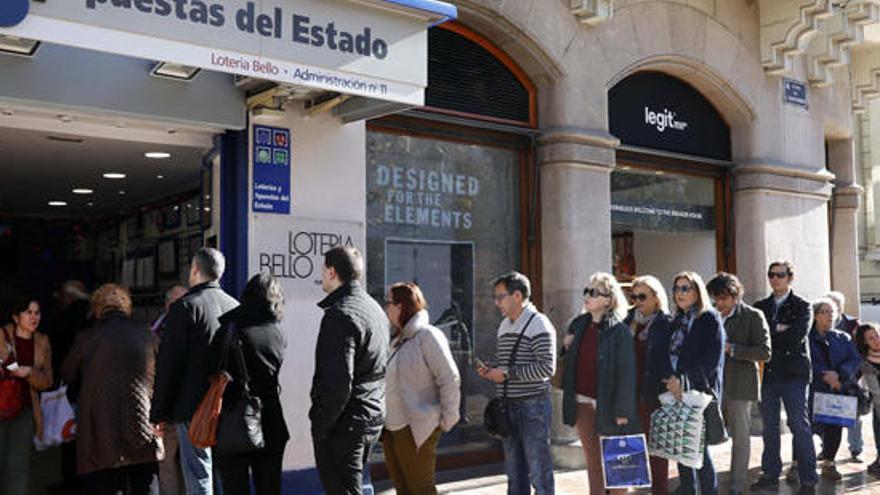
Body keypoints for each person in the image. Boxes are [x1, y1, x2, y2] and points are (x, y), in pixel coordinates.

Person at [151, 247, 239, 494]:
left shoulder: (185, 307)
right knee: (221, 473)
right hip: (225, 406)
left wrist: (159, 412)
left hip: (192, 408)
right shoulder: (235, 306)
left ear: (195, 270)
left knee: (198, 474)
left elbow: (169, 363)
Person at [61, 284, 163, 494]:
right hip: (142, 422)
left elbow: (67, 374)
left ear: (97, 308)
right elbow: (164, 373)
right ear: (126, 306)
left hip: (100, 427)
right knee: (145, 483)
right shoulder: (145, 333)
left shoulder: (87, 337)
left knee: (105, 485)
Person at [310, 246, 389, 495]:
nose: (322, 275)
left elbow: (338, 385)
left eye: (324, 270)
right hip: (370, 415)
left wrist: (320, 423)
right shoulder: (375, 309)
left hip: (347, 423)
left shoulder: (340, 314)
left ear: (331, 272)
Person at [477, 271, 556, 495]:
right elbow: (507, 363)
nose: (496, 302)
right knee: (514, 473)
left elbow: (546, 368)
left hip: (533, 407)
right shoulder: (504, 326)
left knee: (539, 471)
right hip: (507, 405)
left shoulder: (539, 323)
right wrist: (491, 368)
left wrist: (506, 374)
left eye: (500, 296)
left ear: (518, 296)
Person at [560, 272, 639, 494]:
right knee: (594, 464)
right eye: (586, 291)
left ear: (608, 299)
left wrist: (623, 411)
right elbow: (570, 364)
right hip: (582, 403)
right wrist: (566, 347)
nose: (587, 296)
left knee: (619, 464)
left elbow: (627, 372)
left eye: (594, 292)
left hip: (610, 405)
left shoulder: (619, 331)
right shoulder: (578, 324)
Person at [210, 273, 288, 495]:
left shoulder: (228, 330)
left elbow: (211, 371)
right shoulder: (277, 334)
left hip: (233, 421)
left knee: (235, 488)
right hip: (271, 421)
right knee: (270, 488)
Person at [382, 282, 460, 495]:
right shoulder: (393, 339)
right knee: (402, 489)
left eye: (388, 303)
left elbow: (449, 378)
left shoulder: (427, 336)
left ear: (400, 307)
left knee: (421, 490)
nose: (385, 308)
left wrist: (445, 421)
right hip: (390, 429)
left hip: (416, 428)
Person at [751, 260, 818, 493]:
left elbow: (796, 337)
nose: (775, 278)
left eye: (780, 274)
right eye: (771, 274)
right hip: (768, 373)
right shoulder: (760, 306)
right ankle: (770, 473)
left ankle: (808, 478)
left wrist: (773, 334)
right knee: (769, 426)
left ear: (790, 278)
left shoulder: (803, 306)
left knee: (799, 425)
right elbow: (757, 338)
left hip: (794, 374)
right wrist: (777, 331)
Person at [707, 272, 771, 495]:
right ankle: (706, 482)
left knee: (740, 439)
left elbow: (765, 352)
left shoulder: (753, 316)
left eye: (723, 298)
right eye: (715, 298)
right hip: (712, 386)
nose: (719, 303)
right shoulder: (709, 315)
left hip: (740, 386)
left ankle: (736, 484)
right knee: (705, 434)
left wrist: (732, 349)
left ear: (735, 296)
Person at [664, 271, 725, 495]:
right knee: (682, 447)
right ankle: (688, 490)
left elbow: (711, 360)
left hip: (697, 390)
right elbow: (669, 353)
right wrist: (670, 380)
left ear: (697, 291)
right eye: (676, 289)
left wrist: (684, 382)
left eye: (685, 288)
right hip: (673, 390)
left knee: (698, 449)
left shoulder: (708, 317)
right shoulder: (678, 319)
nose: (679, 293)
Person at [0, 295, 53, 495]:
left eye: (37, 312)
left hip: (25, 411)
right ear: (16, 317)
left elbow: (47, 380)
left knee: (18, 466)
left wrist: (30, 372)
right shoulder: (1, 335)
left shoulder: (42, 341)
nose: (33, 317)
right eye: (28, 312)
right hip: (0, 406)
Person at [626, 275, 673, 494]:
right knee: (628, 448)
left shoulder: (666, 323)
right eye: (634, 296)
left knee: (656, 450)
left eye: (642, 296)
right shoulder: (626, 321)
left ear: (656, 297)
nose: (637, 301)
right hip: (628, 394)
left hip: (653, 394)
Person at [807, 298, 862, 481]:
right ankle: (798, 463)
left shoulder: (842, 337)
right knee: (806, 428)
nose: (830, 315)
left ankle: (829, 463)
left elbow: (855, 359)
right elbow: (804, 360)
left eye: (832, 311)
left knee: (834, 428)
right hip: (814, 389)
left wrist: (839, 374)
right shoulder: (807, 338)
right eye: (824, 311)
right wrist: (823, 374)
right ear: (815, 316)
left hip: (837, 389)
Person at [150, 284, 187, 495]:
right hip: (169, 413)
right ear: (167, 306)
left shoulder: (156, 331)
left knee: (185, 466)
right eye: (177, 304)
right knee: (167, 466)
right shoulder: (154, 335)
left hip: (191, 414)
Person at [825, 290, 863, 462]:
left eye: (836, 304)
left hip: (850, 376)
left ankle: (855, 448)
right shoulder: (819, 324)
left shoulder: (852, 323)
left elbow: (860, 351)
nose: (832, 308)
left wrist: (851, 375)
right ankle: (826, 450)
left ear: (841, 306)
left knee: (853, 413)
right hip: (828, 378)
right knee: (827, 413)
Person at [855, 322, 880, 476]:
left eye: (877, 335)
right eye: (871, 338)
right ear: (864, 342)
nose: (877, 340)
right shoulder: (865, 362)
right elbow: (876, 392)